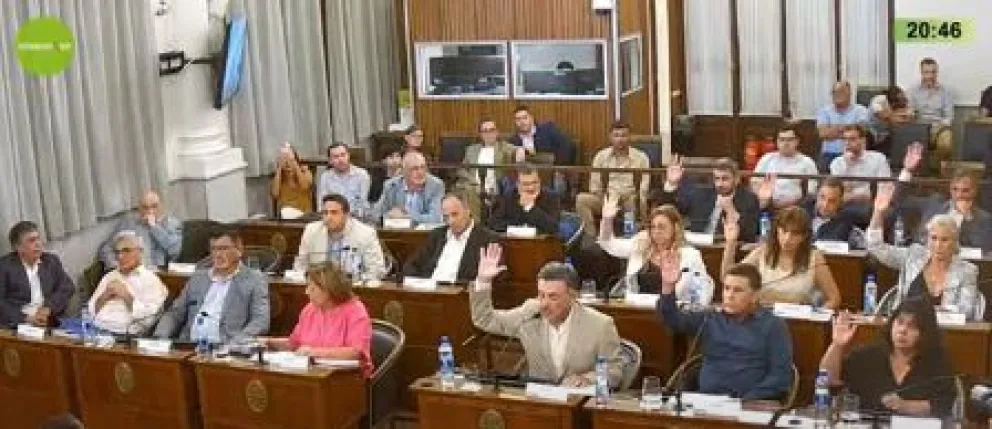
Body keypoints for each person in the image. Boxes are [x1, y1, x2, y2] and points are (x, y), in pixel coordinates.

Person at [470, 247, 623, 387]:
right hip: (540, 401)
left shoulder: (600, 325)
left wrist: (587, 379)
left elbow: (614, 372)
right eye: (541, 295)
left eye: (553, 297)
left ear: (573, 296)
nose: (544, 304)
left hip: (579, 401)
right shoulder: (530, 313)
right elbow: (484, 319)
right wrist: (483, 282)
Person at [657, 263, 794, 400]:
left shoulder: (773, 326)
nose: (729, 295)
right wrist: (668, 286)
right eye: (726, 288)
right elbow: (672, 319)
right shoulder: (710, 318)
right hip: (705, 401)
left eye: (738, 290)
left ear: (755, 296)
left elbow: (780, 376)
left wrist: (746, 401)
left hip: (750, 404)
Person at [820, 299, 956, 417]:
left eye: (912, 326)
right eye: (900, 322)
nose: (903, 330)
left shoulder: (936, 363)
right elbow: (828, 381)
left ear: (925, 333)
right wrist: (837, 345)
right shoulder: (868, 357)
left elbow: (942, 405)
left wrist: (905, 406)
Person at [867, 185, 981, 320]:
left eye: (944, 240)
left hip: (943, 330)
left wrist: (932, 312)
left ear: (955, 242)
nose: (938, 245)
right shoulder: (913, 256)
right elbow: (876, 247)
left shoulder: (967, 271)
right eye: (934, 238)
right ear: (927, 239)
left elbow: (967, 311)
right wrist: (878, 213)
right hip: (906, 325)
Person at [153, 228, 270, 342]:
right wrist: (159, 337)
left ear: (239, 250)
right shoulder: (198, 277)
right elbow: (175, 313)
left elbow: (260, 321)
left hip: (226, 347)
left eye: (223, 249)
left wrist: (236, 342)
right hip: (189, 345)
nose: (218, 254)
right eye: (214, 249)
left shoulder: (254, 280)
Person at [259, 264, 373, 378]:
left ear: (329, 289)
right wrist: (269, 342)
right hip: (311, 375)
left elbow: (356, 352)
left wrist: (313, 352)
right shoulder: (310, 309)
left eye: (312, 288)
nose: (307, 292)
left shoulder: (356, 311)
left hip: (346, 378)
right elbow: (294, 344)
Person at [597, 197, 714, 303]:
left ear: (675, 228)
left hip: (673, 311)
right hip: (638, 309)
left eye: (661, 227)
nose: (656, 231)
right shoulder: (640, 245)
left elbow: (703, 290)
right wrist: (607, 220)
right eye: (653, 227)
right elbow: (608, 244)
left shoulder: (690, 255)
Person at [721, 207, 842, 308]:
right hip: (762, 319)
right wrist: (731, 243)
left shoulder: (814, 257)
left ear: (804, 236)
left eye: (794, 234)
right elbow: (727, 277)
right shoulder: (762, 252)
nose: (787, 239)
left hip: (798, 322)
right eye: (784, 231)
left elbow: (834, 298)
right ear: (777, 230)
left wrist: (815, 317)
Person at [896, 145, 992, 252]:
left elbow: (983, 251)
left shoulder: (984, 219)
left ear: (974, 191)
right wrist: (907, 170)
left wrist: (965, 218)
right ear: (950, 189)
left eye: (965, 190)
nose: (959, 195)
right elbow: (901, 201)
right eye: (955, 189)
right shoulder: (934, 203)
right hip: (923, 257)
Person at [650, 156, 760, 242]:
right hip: (697, 246)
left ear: (736, 179)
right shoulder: (702, 194)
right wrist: (671, 185)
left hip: (725, 248)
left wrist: (731, 211)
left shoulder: (749, 199)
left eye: (725, 179)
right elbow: (672, 211)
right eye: (717, 178)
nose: (719, 184)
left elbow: (749, 235)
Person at [402, 192, 500, 283]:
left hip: (460, 293)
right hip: (429, 290)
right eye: (446, 217)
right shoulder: (437, 235)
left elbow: (495, 279)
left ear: (468, 210)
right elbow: (411, 265)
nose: (450, 221)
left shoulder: (487, 239)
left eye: (455, 214)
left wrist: (482, 280)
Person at [576, 122, 650, 237]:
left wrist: (634, 198)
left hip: (629, 198)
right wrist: (607, 199)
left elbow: (644, 185)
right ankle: (591, 237)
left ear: (630, 137)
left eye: (624, 135)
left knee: (632, 203)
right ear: (610, 137)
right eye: (616, 135)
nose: (620, 139)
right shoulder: (600, 156)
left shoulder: (641, 157)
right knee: (581, 199)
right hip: (606, 198)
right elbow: (594, 186)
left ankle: (629, 237)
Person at [88, 231, 168, 335]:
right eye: (117, 252)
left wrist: (126, 295)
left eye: (126, 250)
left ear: (140, 252)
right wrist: (105, 295)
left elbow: (148, 321)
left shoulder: (151, 280)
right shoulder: (109, 276)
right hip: (95, 330)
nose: (120, 256)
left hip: (123, 336)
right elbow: (90, 310)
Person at [0, 221, 75, 328]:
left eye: (38, 238)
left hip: (49, 318)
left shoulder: (50, 261)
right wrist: (26, 318)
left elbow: (67, 287)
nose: (38, 244)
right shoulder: (4, 267)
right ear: (18, 247)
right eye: (31, 241)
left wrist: (49, 308)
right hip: (19, 323)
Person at [293, 194, 386, 279]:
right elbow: (300, 265)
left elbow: (377, 270)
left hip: (352, 287)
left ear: (346, 215)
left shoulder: (366, 233)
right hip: (320, 286)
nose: (328, 217)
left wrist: (357, 280)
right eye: (325, 213)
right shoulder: (311, 230)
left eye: (334, 213)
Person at [98, 190, 182, 270]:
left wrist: (154, 227)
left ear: (161, 207)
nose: (150, 211)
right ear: (139, 209)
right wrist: (116, 266)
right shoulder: (128, 224)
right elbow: (106, 249)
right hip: (132, 271)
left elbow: (174, 250)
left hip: (160, 273)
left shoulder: (172, 224)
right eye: (145, 207)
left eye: (154, 206)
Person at [458, 118, 520, 219]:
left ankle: (475, 224)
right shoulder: (471, 149)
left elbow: (519, 150)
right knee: (468, 191)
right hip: (473, 184)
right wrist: (473, 181)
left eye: (491, 130)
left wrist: (521, 150)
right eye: (485, 131)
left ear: (497, 132)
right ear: (480, 134)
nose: (489, 134)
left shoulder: (504, 147)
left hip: (494, 187)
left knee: (472, 192)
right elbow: (462, 169)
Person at [751, 124, 818, 209]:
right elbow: (755, 182)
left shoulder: (806, 162)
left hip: (797, 208)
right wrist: (763, 200)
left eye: (790, 140)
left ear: (797, 141)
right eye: (782, 140)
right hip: (767, 206)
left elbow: (812, 190)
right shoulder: (767, 158)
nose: (786, 143)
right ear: (777, 142)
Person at [906, 58, 954, 166]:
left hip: (938, 128)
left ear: (937, 73)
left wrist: (938, 126)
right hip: (918, 127)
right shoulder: (912, 90)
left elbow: (949, 117)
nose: (930, 76)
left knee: (946, 142)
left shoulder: (945, 91)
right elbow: (909, 110)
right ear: (921, 72)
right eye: (927, 72)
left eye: (933, 72)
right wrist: (911, 114)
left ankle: (935, 168)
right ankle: (914, 168)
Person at [487, 165, 560, 235]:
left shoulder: (551, 197)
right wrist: (519, 230)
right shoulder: (507, 197)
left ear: (540, 181)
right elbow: (493, 223)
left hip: (542, 242)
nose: (531, 188)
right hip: (512, 242)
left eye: (535, 182)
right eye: (526, 184)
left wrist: (530, 207)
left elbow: (554, 227)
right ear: (517, 184)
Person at [375, 151, 445, 225]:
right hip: (397, 231)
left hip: (424, 232)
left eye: (423, 167)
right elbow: (375, 214)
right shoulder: (391, 185)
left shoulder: (435, 185)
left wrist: (405, 217)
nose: (420, 172)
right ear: (404, 171)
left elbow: (435, 218)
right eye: (415, 169)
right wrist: (389, 215)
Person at [829, 124, 892, 205]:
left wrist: (858, 196)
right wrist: (848, 166)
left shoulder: (878, 158)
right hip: (845, 205)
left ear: (863, 140)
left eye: (852, 139)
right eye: (844, 140)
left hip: (874, 203)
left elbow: (885, 188)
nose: (847, 143)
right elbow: (840, 193)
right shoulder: (837, 163)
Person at [816, 81, 871, 171]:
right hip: (829, 154)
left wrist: (833, 130)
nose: (837, 94)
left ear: (849, 93)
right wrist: (850, 130)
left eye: (841, 91)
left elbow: (861, 132)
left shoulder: (861, 110)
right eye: (834, 92)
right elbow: (823, 134)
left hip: (855, 153)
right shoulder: (824, 111)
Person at [508, 105, 575, 166]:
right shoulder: (513, 141)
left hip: (552, 170)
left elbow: (567, 144)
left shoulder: (548, 129)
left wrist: (559, 170)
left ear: (532, 118)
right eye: (518, 119)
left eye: (525, 118)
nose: (522, 122)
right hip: (526, 173)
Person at [317, 142, 370, 216]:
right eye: (336, 157)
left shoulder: (362, 175)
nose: (340, 159)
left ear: (348, 156)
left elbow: (363, 204)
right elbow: (322, 203)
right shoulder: (325, 177)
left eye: (343, 155)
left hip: (356, 217)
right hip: (333, 216)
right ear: (330, 161)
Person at [801, 178, 857, 242]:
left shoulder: (845, 222)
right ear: (816, 195)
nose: (825, 205)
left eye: (832, 201)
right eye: (822, 197)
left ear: (840, 202)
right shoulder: (803, 211)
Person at [270, 142, 314, 214]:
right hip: (285, 214)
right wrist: (279, 167)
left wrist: (294, 162)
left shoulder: (304, 171)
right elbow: (275, 194)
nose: (287, 163)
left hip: (304, 213)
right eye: (284, 159)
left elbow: (305, 186)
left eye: (290, 160)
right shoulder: (279, 176)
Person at [869, 85, 915, 151]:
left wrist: (901, 116)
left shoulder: (903, 101)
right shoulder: (878, 100)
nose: (904, 101)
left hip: (888, 133)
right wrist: (899, 115)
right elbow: (883, 116)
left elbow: (911, 118)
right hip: (872, 131)